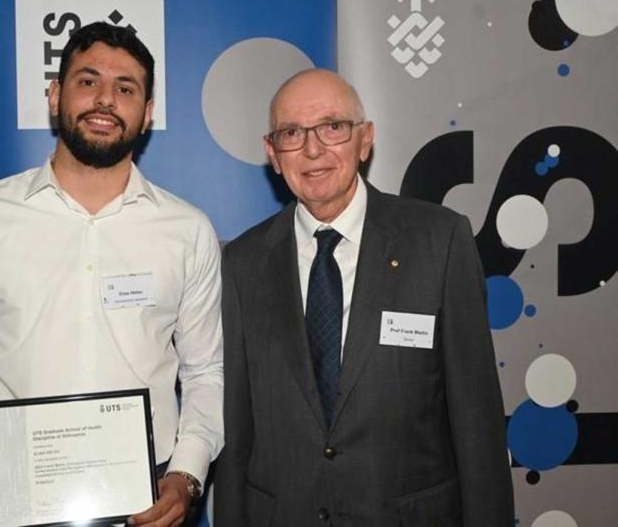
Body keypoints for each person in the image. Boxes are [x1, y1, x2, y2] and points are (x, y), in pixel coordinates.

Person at [0, 22, 223, 527]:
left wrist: (187, 474)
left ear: (147, 112)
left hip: (144, 501)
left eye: (126, 88)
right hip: (4, 500)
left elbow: (206, 372)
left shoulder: (188, 231)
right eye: (88, 82)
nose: (106, 100)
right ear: (54, 96)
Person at [215, 69, 513, 526]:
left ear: (365, 139)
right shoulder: (242, 262)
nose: (313, 149)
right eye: (292, 133)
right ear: (273, 154)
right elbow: (237, 434)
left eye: (332, 127)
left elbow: (478, 422)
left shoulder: (440, 241)